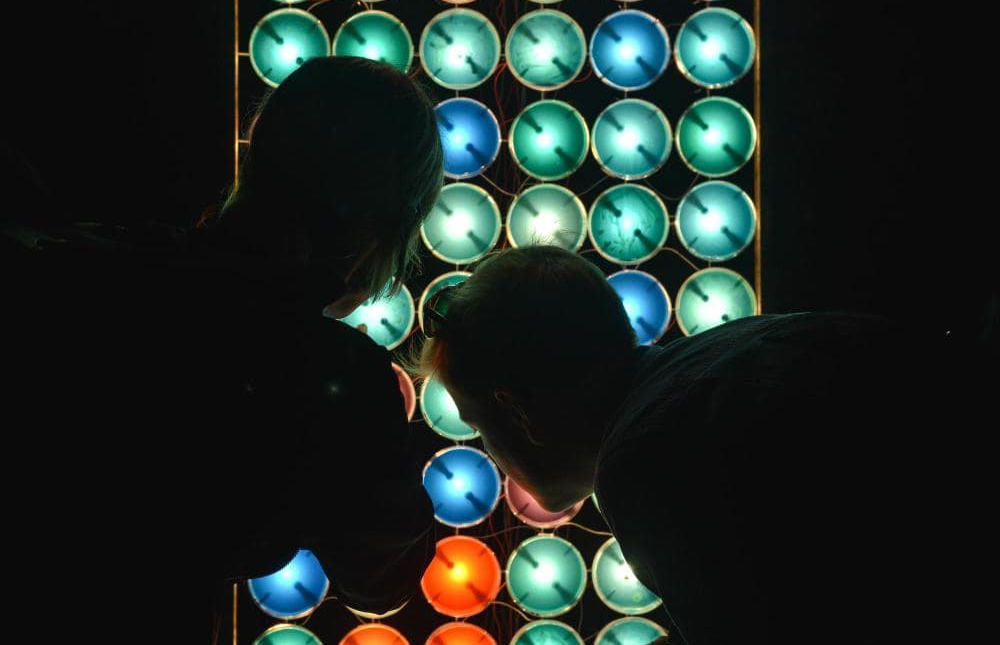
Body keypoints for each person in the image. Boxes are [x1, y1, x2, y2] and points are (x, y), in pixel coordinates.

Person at [1, 56, 443, 637]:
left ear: (258, 149)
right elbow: (384, 581)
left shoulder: (87, 261)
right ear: (384, 230)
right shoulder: (334, 378)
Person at [416, 245, 995, 645]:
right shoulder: (730, 350)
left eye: (480, 427)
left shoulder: (644, 462)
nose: (492, 455)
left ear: (517, 408)